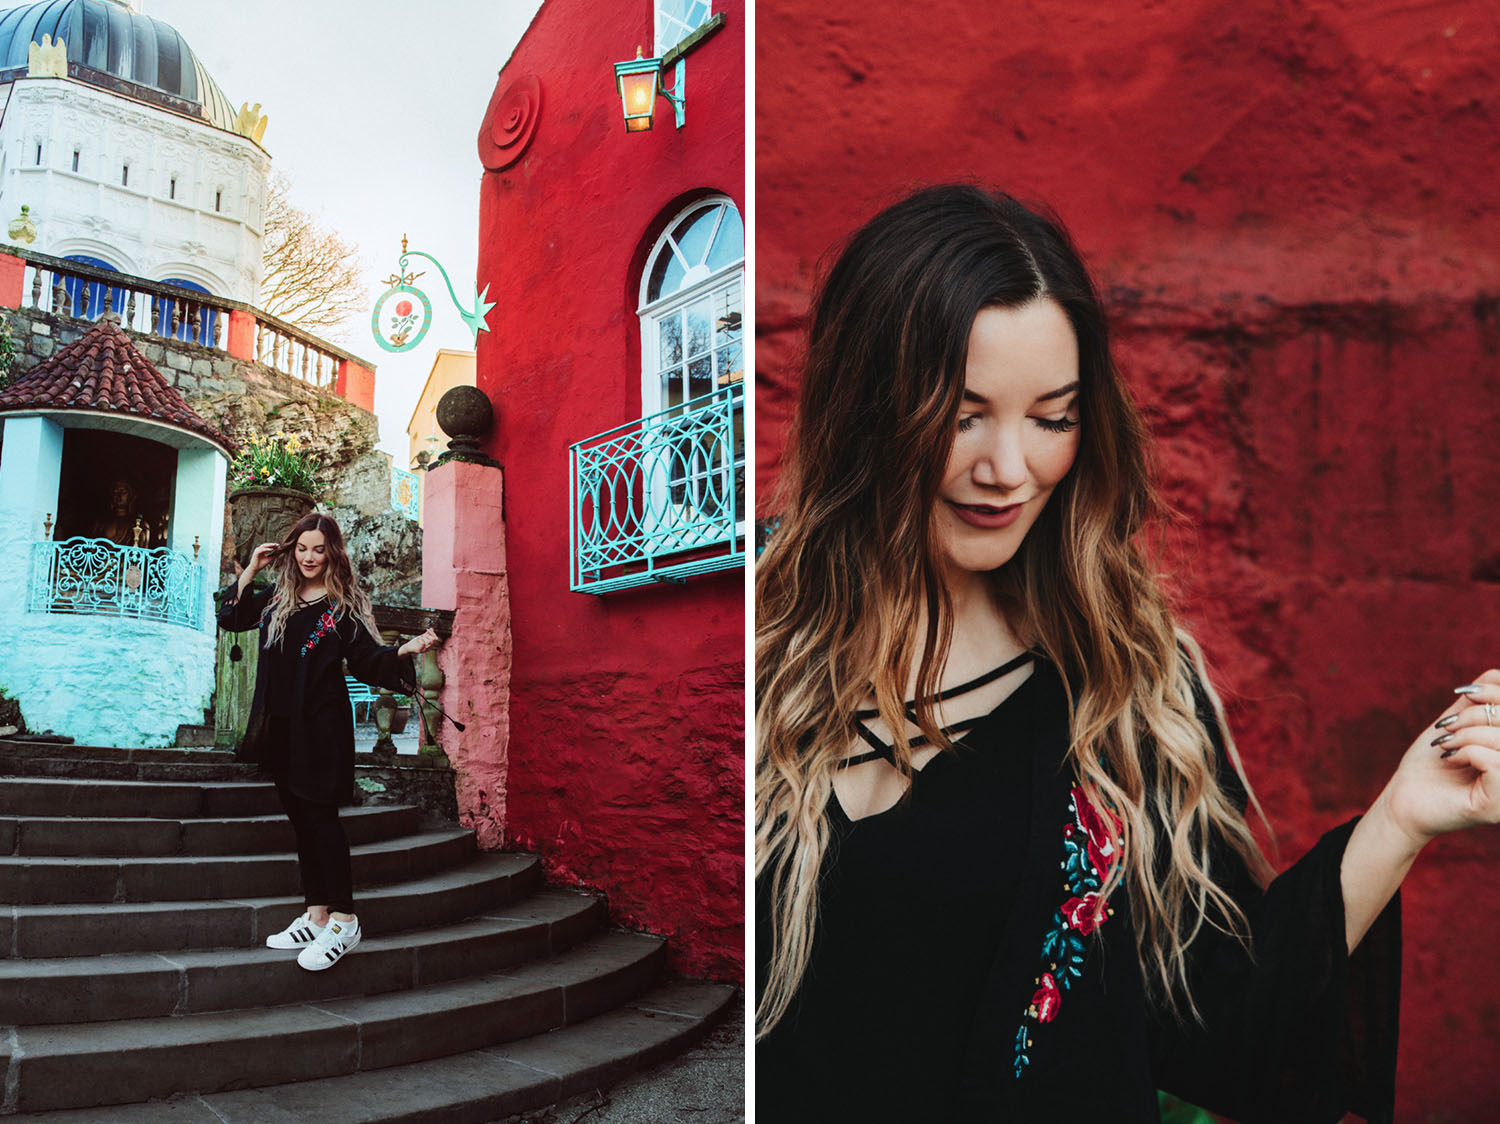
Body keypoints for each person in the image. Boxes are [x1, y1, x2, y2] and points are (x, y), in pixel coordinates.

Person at [754, 184, 1499, 1122]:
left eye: (1052, 418)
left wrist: (1402, 817)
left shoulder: (1125, 687)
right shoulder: (753, 645)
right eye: (961, 412)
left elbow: (1222, 1031)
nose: (1008, 469)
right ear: (867, 406)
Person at [218, 511, 440, 971]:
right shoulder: (277, 598)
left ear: (332, 552)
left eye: (318, 549)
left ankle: (344, 918)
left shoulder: (342, 607)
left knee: (321, 821)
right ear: (291, 550)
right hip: (281, 725)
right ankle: (316, 913)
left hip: (321, 727)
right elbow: (231, 618)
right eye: (302, 548)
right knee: (301, 820)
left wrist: (404, 650)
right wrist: (252, 569)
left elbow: (365, 658)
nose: (309, 557)